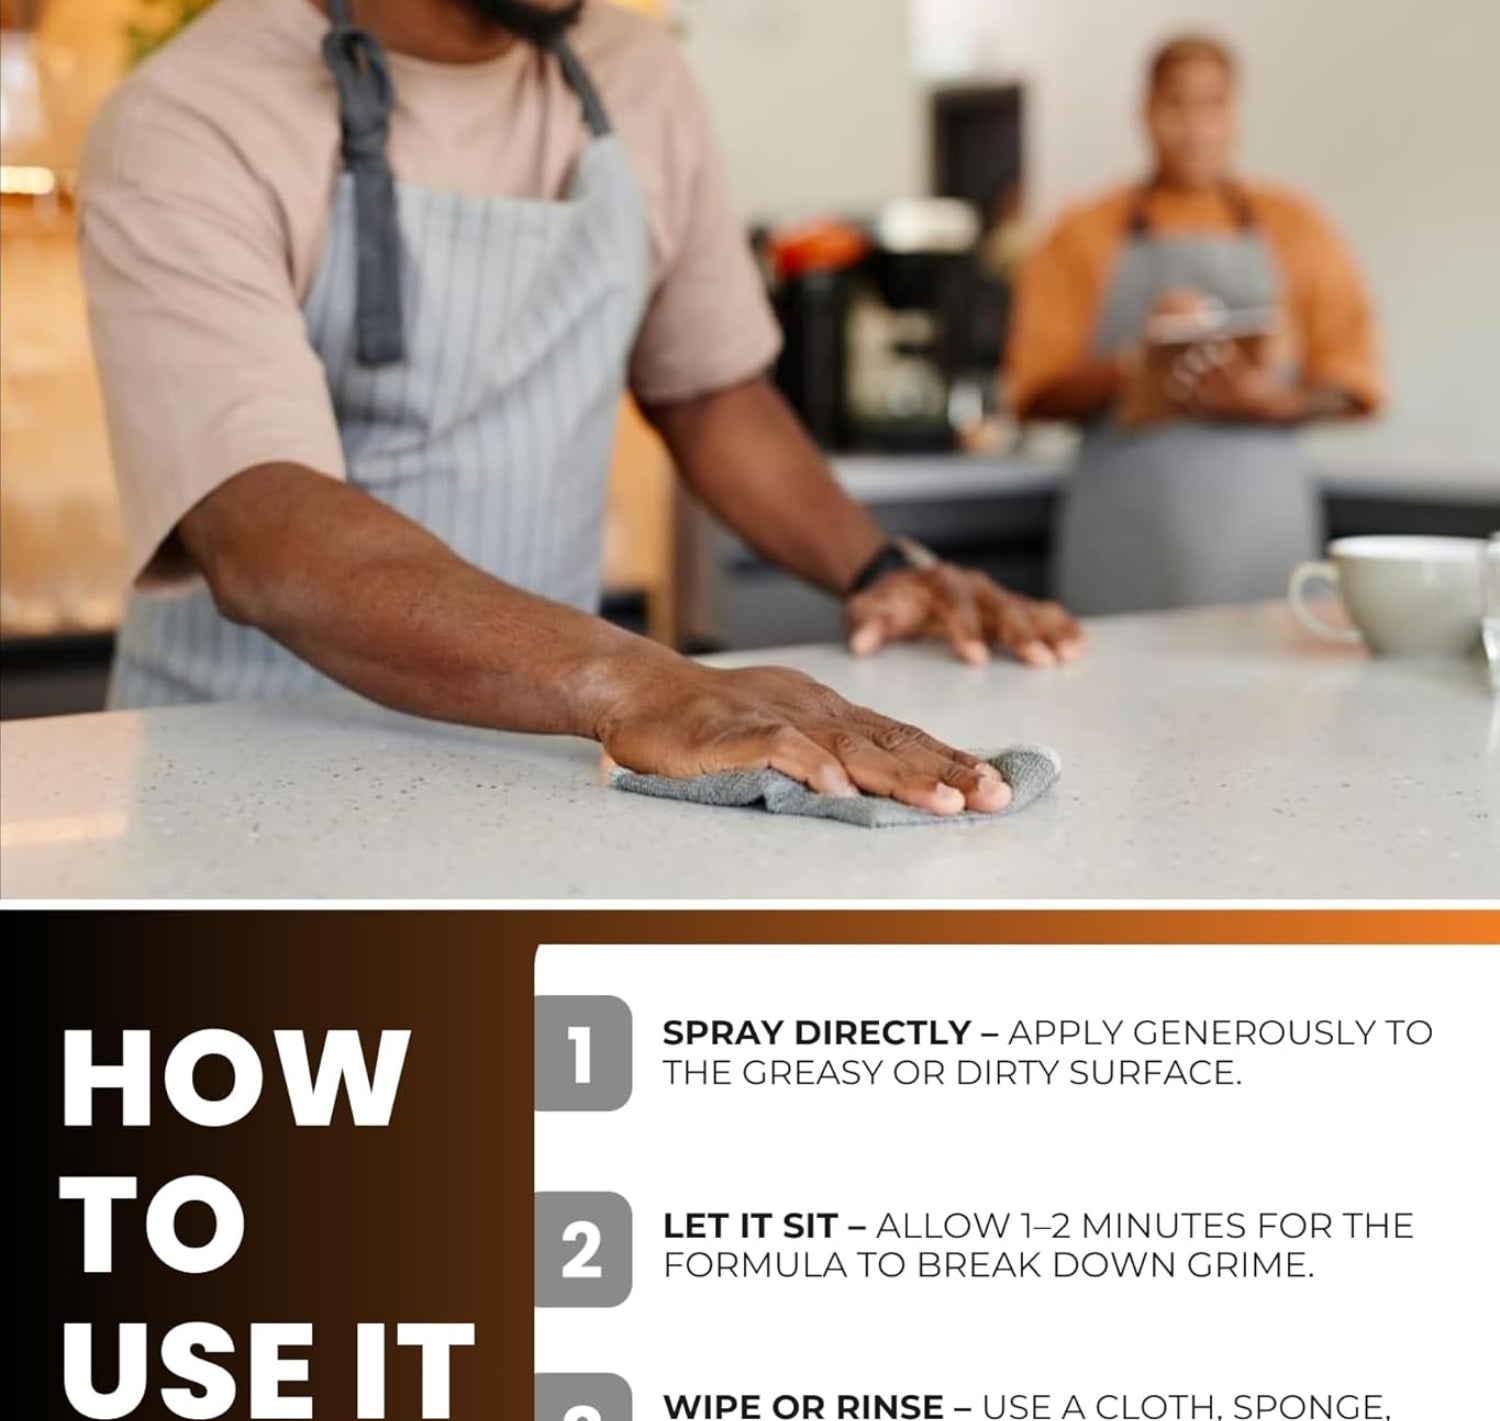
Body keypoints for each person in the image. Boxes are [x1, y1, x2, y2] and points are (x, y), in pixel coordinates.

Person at [79, 0, 1085, 818]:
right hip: (244, 779)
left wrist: (880, 571)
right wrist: (642, 686)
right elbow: (262, 531)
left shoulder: (637, 77)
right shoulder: (191, 117)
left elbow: (708, 388)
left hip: (543, 761)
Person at [1007, 34, 1382, 616]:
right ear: (1146, 112)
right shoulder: (1081, 233)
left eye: (1212, 104)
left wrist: (1274, 403)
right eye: (1175, 105)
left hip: (1261, 543)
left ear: (1236, 112)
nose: (1195, 126)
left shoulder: (1298, 227)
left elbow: (1353, 385)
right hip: (1124, 544)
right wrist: (1138, 364)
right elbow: (1032, 393)